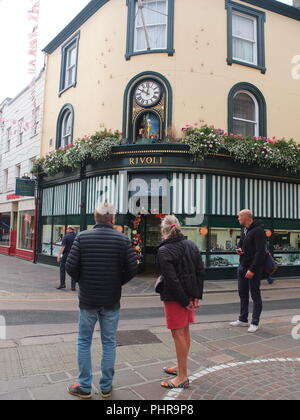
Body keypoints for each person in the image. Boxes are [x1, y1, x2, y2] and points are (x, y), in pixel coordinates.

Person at [65, 203, 138, 400]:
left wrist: (84, 281)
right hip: (111, 300)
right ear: (112, 220)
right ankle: (106, 388)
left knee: (83, 341)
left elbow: (70, 267)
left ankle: (84, 387)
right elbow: (132, 269)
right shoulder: (123, 240)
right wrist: (116, 282)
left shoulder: (82, 237)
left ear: (95, 219)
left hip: (88, 300)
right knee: (109, 342)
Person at [156, 215, 205, 390]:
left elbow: (171, 280)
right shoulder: (191, 244)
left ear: (164, 231)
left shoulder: (164, 250)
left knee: (177, 334)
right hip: (190, 295)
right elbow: (200, 270)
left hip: (175, 298)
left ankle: (182, 376)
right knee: (185, 331)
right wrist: (196, 296)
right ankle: (180, 365)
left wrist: (184, 301)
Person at [230, 209, 267, 333]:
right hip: (242, 266)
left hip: (253, 269)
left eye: (239, 216)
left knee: (255, 295)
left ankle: (255, 322)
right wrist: (239, 249)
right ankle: (243, 319)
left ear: (247, 217)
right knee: (243, 293)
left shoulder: (259, 231)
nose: (238, 218)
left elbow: (260, 252)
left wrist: (252, 269)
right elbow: (241, 245)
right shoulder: (244, 230)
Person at [57, 226, 77, 291]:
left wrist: (59, 256)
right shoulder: (77, 236)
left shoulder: (66, 236)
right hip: (74, 255)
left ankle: (62, 284)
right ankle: (73, 286)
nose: (66, 230)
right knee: (73, 269)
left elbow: (62, 247)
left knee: (62, 268)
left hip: (66, 254)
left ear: (69, 229)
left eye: (67, 229)